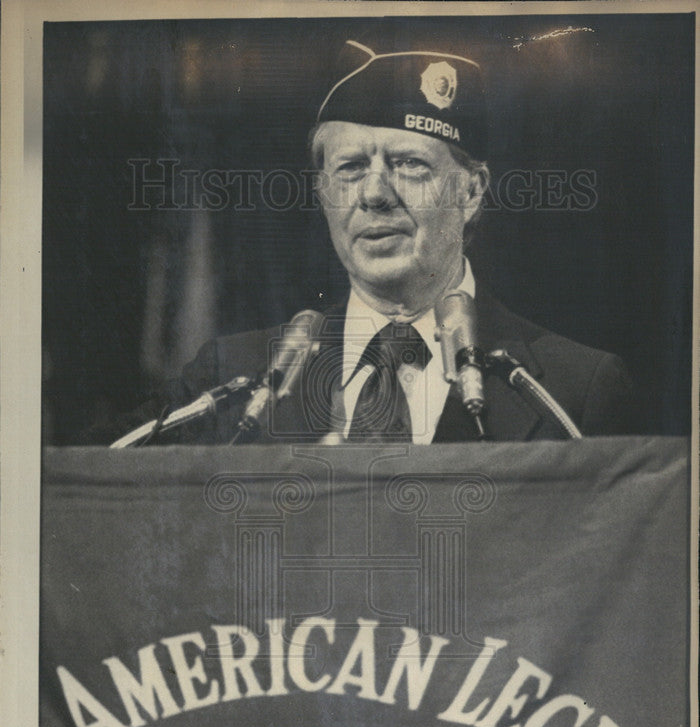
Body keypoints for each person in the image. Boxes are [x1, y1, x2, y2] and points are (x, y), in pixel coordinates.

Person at [86, 40, 637, 447]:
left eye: (408, 164)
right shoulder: (229, 379)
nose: (374, 195)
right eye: (350, 168)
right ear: (323, 194)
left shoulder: (574, 393)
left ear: (471, 191)